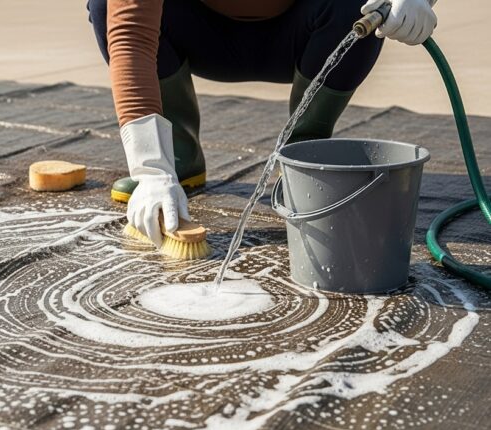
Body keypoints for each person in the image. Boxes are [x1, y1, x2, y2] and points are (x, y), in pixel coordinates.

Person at [87, 0, 438, 247]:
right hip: (197, 34)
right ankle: (175, 156)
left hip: (304, 32)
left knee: (358, 4)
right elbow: (130, 30)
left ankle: (304, 156)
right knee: (106, 6)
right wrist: (150, 167)